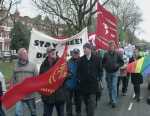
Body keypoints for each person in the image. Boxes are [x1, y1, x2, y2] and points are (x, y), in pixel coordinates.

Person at [77, 43, 103, 116]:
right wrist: (79, 78)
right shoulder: (81, 59)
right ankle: (88, 108)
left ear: (90, 49)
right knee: (86, 101)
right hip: (84, 85)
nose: (84, 50)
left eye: (85, 48)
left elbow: (100, 70)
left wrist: (99, 77)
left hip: (93, 84)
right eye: (83, 48)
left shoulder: (97, 59)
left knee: (91, 102)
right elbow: (78, 71)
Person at [39, 47, 66, 116]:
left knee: (61, 114)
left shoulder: (61, 62)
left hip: (59, 94)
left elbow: (68, 74)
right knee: (47, 114)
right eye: (50, 51)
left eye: (53, 51)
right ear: (47, 53)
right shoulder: (43, 64)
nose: (52, 52)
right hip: (48, 96)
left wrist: (64, 77)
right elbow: (40, 79)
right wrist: (42, 93)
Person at [12, 48, 38, 116]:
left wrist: (33, 87)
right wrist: (13, 88)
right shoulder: (15, 65)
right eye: (24, 54)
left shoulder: (33, 65)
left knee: (33, 112)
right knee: (18, 113)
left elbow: (37, 79)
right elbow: (13, 79)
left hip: (30, 95)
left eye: (26, 53)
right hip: (19, 95)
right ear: (20, 56)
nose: (26, 55)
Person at [102, 41, 124, 108]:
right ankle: (111, 99)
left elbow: (122, 62)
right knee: (109, 87)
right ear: (108, 47)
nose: (111, 47)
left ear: (114, 47)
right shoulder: (106, 54)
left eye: (112, 46)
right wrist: (105, 66)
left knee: (114, 86)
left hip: (115, 72)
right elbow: (102, 63)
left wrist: (117, 65)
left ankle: (114, 101)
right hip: (108, 73)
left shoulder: (117, 54)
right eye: (110, 46)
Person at [65, 48, 81, 116]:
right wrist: (67, 74)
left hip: (78, 84)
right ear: (72, 53)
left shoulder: (81, 61)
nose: (75, 54)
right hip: (69, 84)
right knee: (68, 101)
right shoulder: (68, 62)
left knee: (78, 100)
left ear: (79, 54)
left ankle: (78, 112)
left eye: (77, 53)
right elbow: (65, 72)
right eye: (74, 53)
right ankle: (69, 113)